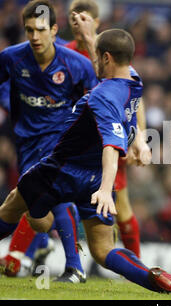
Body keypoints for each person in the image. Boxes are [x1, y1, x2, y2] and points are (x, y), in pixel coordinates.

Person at [0, 26, 171, 296]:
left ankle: (40, 225)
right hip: (93, 179)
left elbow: (111, 146)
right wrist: (91, 37)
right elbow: (110, 65)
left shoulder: (102, 97)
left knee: (13, 209)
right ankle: (164, 281)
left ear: (106, 58)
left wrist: (106, 189)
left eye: (98, 57)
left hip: (60, 171)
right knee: (104, 250)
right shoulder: (135, 80)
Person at [0, 0, 99, 282]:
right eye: (29, 30)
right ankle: (43, 248)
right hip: (26, 145)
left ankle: (74, 268)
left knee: (53, 196)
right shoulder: (11, 58)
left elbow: (98, 100)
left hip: (60, 143)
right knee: (36, 217)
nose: (34, 37)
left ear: (54, 30)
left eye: (41, 30)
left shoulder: (76, 65)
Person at [66, 0, 150, 258]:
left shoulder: (115, 64)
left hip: (103, 141)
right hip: (83, 137)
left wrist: (140, 139)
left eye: (86, 19)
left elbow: (126, 98)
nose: (78, 24)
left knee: (119, 207)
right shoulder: (63, 52)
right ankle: (68, 260)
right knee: (52, 198)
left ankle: (134, 265)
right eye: (74, 19)